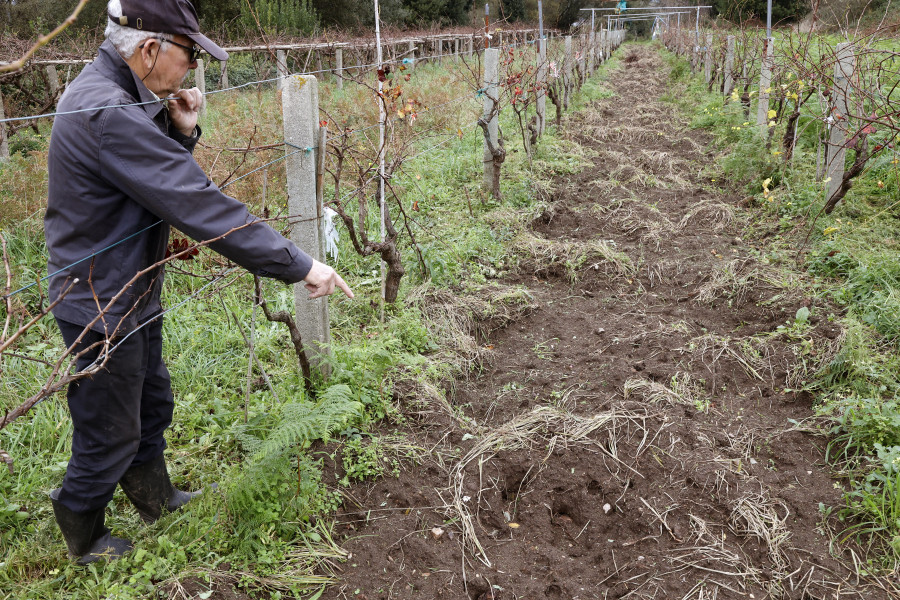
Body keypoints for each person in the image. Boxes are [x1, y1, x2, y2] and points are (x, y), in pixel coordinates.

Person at [44, 0, 352, 565]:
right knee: (108, 424)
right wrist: (301, 265)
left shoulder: (112, 95)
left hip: (125, 284)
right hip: (98, 298)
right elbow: (197, 205)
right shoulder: (107, 110)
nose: (191, 68)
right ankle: (81, 531)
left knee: (151, 400)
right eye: (188, 54)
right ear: (150, 49)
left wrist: (177, 131)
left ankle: (155, 497)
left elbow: (141, 180)